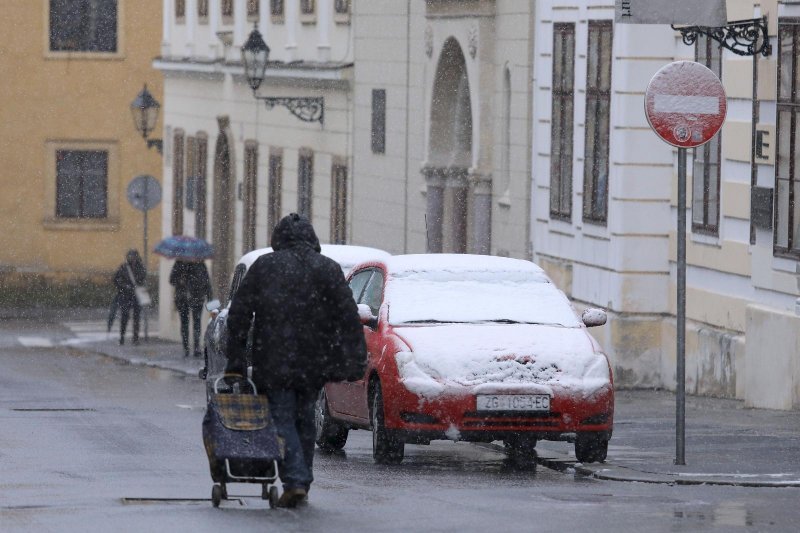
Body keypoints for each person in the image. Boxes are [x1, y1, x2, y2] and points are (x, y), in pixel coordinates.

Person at [225, 213, 367, 508]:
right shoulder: (327, 268)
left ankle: (296, 478)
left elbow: (238, 315)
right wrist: (353, 359)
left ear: (278, 240)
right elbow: (348, 316)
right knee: (304, 418)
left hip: (273, 358)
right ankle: (301, 480)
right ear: (311, 239)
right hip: (314, 361)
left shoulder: (265, 267)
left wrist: (236, 362)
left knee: (281, 418)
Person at [169, 259, 213, 358]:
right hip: (183, 298)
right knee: (185, 323)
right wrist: (180, 280)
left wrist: (211, 302)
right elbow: (171, 279)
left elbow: (207, 282)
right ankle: (186, 348)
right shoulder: (179, 263)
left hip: (197, 297)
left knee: (197, 323)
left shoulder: (200, 264)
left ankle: (196, 347)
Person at [113, 250, 146, 345]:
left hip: (136, 295)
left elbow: (143, 277)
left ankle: (135, 338)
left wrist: (136, 285)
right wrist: (124, 286)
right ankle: (122, 337)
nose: (132, 258)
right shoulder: (124, 267)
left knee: (136, 317)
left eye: (133, 256)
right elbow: (116, 279)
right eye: (130, 256)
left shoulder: (140, 267)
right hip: (125, 295)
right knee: (125, 316)